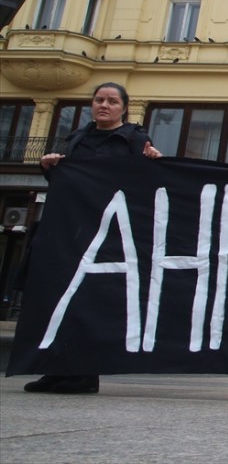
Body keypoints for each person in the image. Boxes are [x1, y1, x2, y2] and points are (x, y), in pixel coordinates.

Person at [24, 82, 162, 395]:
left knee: (92, 299)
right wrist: (50, 168)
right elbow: (67, 183)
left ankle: (84, 373)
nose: (104, 105)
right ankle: (56, 368)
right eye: (99, 99)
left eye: (112, 101)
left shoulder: (135, 138)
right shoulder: (78, 137)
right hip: (73, 229)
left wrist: (154, 160)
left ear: (123, 108)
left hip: (108, 231)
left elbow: (144, 182)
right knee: (62, 296)